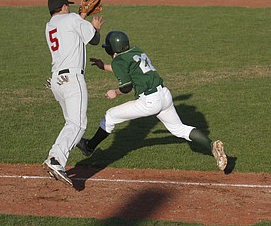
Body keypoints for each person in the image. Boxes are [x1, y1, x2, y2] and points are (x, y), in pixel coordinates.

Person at [77, 30, 228, 171]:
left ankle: (89, 146)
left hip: (149, 101)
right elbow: (128, 67)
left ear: (112, 49)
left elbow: (127, 87)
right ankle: (211, 145)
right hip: (164, 95)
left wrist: (115, 92)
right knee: (179, 129)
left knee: (110, 116)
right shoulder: (136, 51)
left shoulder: (119, 60)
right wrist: (103, 66)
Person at [42, 0, 104, 186]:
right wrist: (94, 27)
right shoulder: (71, 18)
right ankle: (56, 159)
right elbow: (94, 40)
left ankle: (70, 150)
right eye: (67, 6)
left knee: (71, 122)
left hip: (56, 81)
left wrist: (82, 16)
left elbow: (72, 33)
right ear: (63, 7)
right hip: (72, 79)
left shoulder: (50, 25)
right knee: (77, 124)